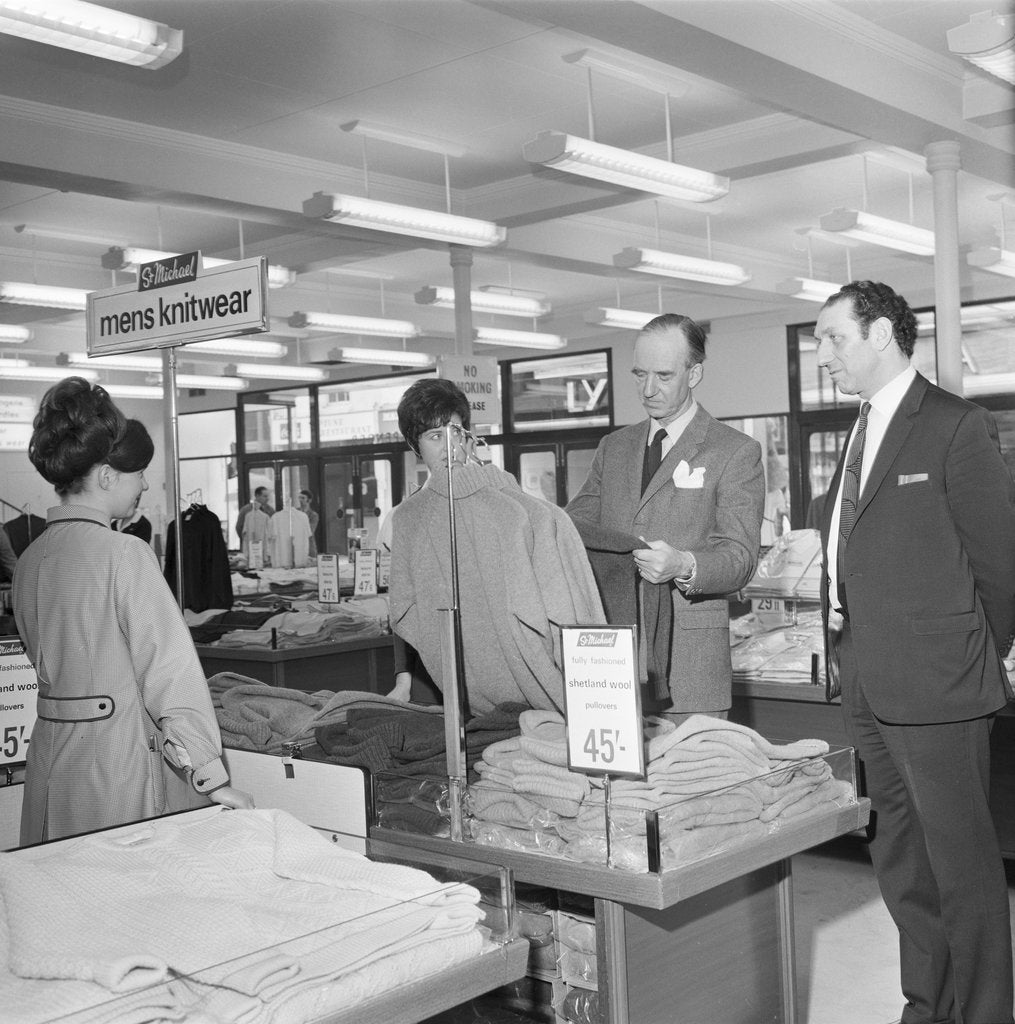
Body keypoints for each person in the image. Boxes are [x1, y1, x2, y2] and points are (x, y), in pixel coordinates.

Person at [816, 281, 1015, 1024]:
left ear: (881, 335)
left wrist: (973, 656)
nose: (823, 355)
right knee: (901, 864)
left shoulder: (955, 426)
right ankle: (928, 1007)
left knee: (962, 870)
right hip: (866, 681)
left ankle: (986, 1012)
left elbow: (998, 564)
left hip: (940, 685)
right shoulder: (860, 428)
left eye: (833, 337)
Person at [12, 377, 251, 845]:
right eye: (138, 473)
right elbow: (170, 672)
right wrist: (210, 777)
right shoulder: (125, 553)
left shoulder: (30, 560)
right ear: (106, 476)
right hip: (117, 764)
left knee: (60, 883)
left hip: (50, 768)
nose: (143, 484)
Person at [566, 312, 765, 719]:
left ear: (694, 374)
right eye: (640, 374)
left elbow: (740, 558)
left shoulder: (734, 451)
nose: (648, 389)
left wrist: (683, 565)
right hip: (612, 664)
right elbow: (572, 527)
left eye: (663, 375)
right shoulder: (614, 447)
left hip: (689, 670)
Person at [298, 488, 319, 557]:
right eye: (299, 498)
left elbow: (310, 531)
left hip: (309, 546)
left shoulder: (313, 515)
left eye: (303, 498)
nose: (300, 500)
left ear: (309, 500)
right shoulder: (295, 512)